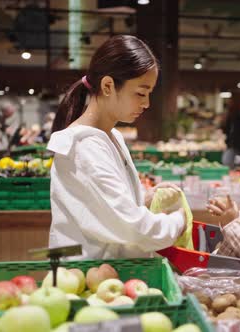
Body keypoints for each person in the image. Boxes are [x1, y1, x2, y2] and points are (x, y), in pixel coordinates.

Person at [47, 35, 185, 259]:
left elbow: (107, 205)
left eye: (149, 94)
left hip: (109, 274)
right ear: (108, 86)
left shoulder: (112, 137)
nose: (146, 103)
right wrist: (178, 221)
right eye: (140, 93)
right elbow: (132, 227)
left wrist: (146, 197)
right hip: (87, 278)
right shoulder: (84, 147)